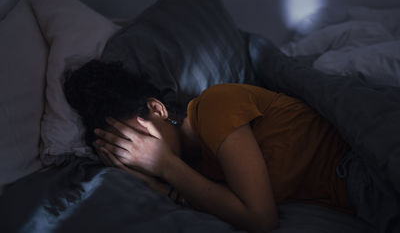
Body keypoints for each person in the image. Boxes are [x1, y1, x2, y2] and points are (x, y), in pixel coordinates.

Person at [63, 59, 352, 232]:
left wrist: (165, 165)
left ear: (157, 109)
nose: (139, 157)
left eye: (136, 141)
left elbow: (262, 220)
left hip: (359, 164)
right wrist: (162, 187)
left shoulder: (213, 107)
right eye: (126, 155)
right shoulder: (199, 175)